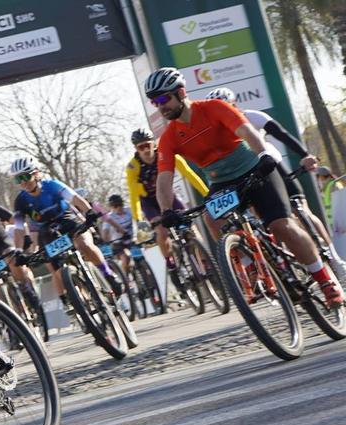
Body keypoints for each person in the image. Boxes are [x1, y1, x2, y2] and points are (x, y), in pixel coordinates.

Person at [144, 67, 343, 306]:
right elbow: (164, 179)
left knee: (282, 225)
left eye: (164, 98)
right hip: (222, 182)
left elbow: (248, 132)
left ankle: (325, 280)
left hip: (254, 169)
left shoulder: (214, 108)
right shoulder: (168, 138)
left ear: (181, 92)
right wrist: (166, 210)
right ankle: (248, 266)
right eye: (155, 102)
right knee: (211, 218)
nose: (160, 106)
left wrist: (263, 156)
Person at [205, 87, 346, 280]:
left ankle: (334, 258)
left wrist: (305, 156)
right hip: (249, 175)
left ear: (234, 105)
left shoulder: (252, 116)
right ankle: (282, 264)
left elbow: (282, 134)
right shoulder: (215, 132)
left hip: (273, 165)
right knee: (266, 223)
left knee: (302, 210)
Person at [8, 157, 120, 307]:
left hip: (66, 219)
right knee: (57, 271)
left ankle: (108, 274)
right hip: (46, 229)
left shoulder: (51, 185)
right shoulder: (20, 200)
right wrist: (19, 250)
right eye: (18, 179)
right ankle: (81, 301)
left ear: (35, 174)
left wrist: (89, 212)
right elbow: (19, 228)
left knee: (84, 245)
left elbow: (75, 198)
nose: (23, 182)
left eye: (25, 177)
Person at [125, 127, 209, 270]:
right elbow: (133, 195)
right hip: (149, 202)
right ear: (136, 149)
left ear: (154, 144)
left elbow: (189, 174)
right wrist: (138, 219)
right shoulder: (133, 167)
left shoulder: (167, 155)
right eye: (141, 147)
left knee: (190, 228)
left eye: (148, 145)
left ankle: (206, 261)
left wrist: (206, 193)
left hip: (167, 196)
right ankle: (170, 262)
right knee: (162, 231)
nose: (145, 150)